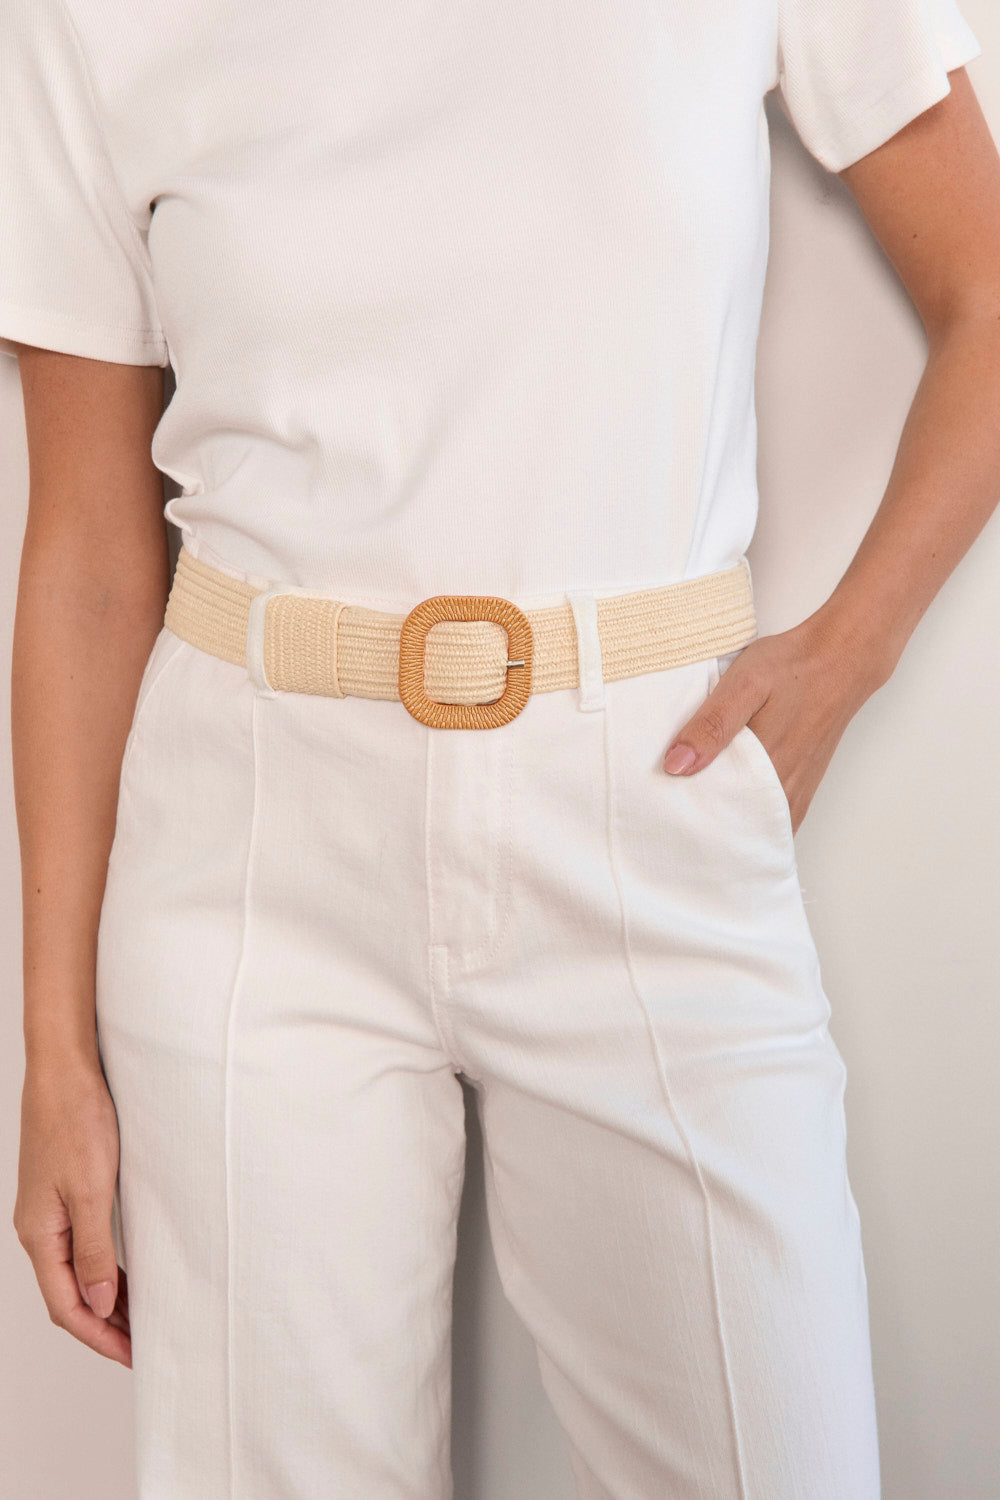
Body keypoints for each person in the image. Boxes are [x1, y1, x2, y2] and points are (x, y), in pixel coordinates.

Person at [4, 1, 998, 1495]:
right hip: (250, 849)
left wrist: (847, 654)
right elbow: (87, 550)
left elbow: (990, 293)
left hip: (646, 794)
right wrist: (55, 1055)